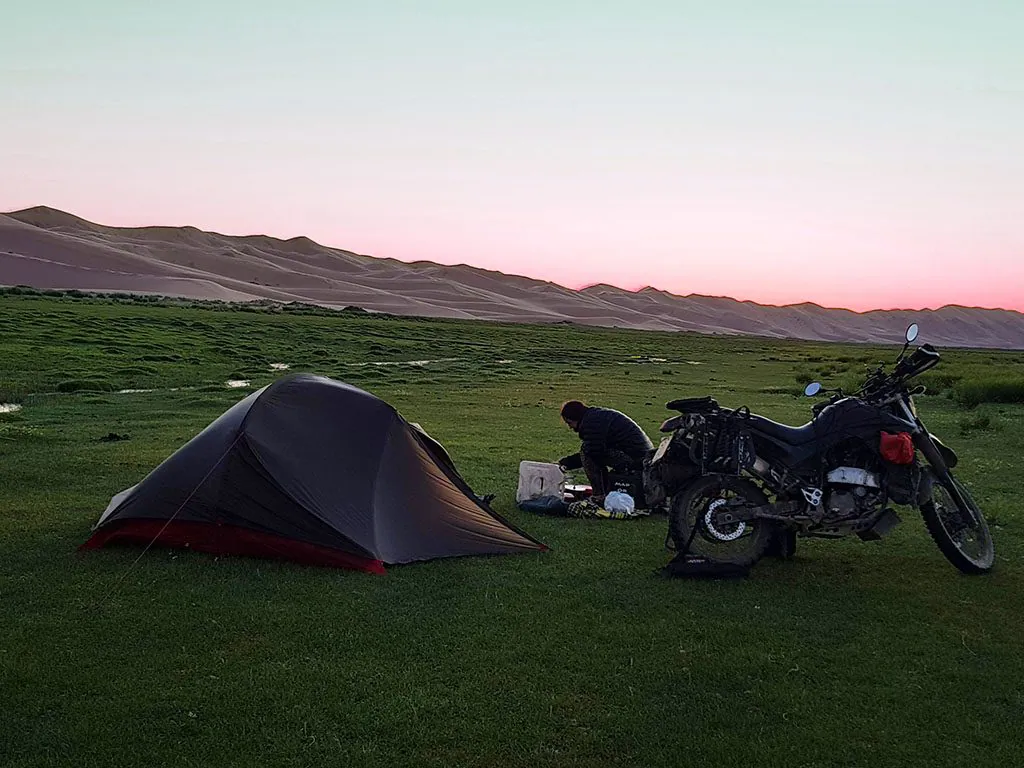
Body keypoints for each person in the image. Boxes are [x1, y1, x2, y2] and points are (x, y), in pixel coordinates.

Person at [558, 400, 653, 502]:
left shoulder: (592, 423)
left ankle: (599, 495)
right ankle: (605, 491)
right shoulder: (596, 416)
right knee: (589, 452)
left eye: (569, 423)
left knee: (586, 453)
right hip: (642, 457)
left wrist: (565, 464)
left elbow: (593, 451)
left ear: (576, 418)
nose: (570, 427)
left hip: (636, 459)